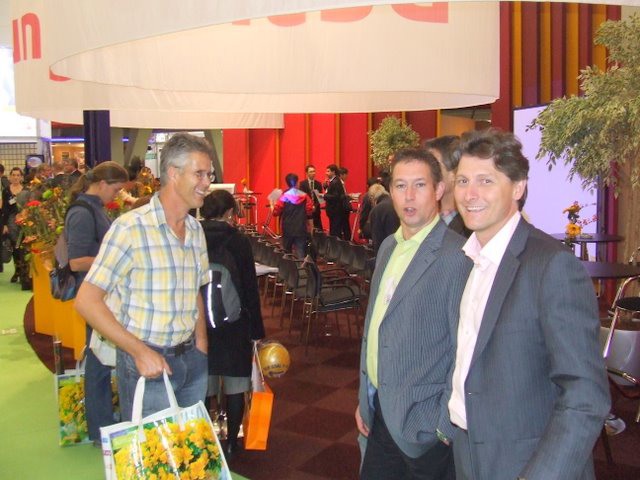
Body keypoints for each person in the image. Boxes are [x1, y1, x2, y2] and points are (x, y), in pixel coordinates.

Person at [449, 129, 610, 480]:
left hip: (527, 463)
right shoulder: (469, 259)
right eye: (462, 180)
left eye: (485, 180)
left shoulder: (551, 266)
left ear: (518, 187)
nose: (470, 194)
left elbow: (585, 395)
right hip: (467, 451)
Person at [75, 133, 213, 422]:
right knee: (153, 449)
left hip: (191, 359)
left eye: (209, 175)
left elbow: (195, 290)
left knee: (190, 445)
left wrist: (201, 345)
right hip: (147, 364)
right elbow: (87, 301)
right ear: (173, 173)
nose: (207, 183)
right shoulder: (130, 229)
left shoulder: (195, 230)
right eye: (199, 174)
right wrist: (138, 351)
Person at [355, 149, 468, 480]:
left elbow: (464, 349)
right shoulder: (388, 247)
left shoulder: (456, 256)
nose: (409, 196)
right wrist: (365, 397)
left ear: (438, 190)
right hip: (380, 410)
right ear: (390, 191)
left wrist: (442, 426)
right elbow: (375, 327)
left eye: (419, 185)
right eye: (400, 185)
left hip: (423, 426)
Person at [65, 161, 128, 445]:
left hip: (101, 293)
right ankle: (101, 427)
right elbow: (76, 262)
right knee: (99, 361)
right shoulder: (82, 212)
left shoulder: (95, 208)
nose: (116, 196)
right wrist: (115, 260)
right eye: (115, 190)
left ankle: (102, 424)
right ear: (102, 184)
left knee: (101, 358)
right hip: (93, 296)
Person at [200, 189, 265, 459]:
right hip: (235, 324)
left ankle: (205, 440)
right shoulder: (238, 241)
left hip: (199, 325)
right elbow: (249, 287)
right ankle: (231, 443)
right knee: (236, 384)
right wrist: (256, 330)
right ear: (229, 212)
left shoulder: (192, 236)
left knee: (204, 384)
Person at [422, 135, 471, 238]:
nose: (425, 173)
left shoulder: (471, 224)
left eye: (434, 166)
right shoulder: (423, 217)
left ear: (455, 173)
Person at [273, 173, 314, 258]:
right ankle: (301, 267)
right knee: (301, 252)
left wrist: (271, 204)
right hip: (301, 227)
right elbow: (309, 210)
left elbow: (276, 212)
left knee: (287, 253)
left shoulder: (284, 196)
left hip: (287, 228)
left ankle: (289, 267)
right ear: (297, 183)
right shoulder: (304, 196)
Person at [1, 167, 29, 287]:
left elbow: (29, 207)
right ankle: (17, 271)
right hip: (11, 221)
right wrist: (4, 224)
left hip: (24, 220)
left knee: (24, 247)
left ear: (21, 177)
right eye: (13, 175)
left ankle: (24, 273)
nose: (16, 177)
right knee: (15, 247)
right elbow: (4, 208)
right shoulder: (6, 190)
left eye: (18, 175)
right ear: (10, 177)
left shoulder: (26, 190)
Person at [368, 184, 400, 254]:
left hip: (386, 250)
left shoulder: (376, 210)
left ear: (372, 197)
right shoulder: (397, 203)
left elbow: (377, 239)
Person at [324, 164, 351, 239]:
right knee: (334, 230)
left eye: (328, 171)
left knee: (335, 231)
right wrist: (325, 187)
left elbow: (336, 196)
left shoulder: (335, 181)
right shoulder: (333, 181)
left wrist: (324, 196)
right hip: (334, 211)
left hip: (335, 210)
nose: (326, 173)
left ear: (333, 172)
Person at [298, 164, 324, 231]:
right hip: (306, 210)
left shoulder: (318, 184)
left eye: (314, 171)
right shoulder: (302, 184)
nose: (313, 173)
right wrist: (310, 206)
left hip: (316, 210)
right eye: (311, 172)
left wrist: (315, 206)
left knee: (318, 229)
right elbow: (302, 197)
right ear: (307, 173)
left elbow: (320, 198)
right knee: (308, 229)